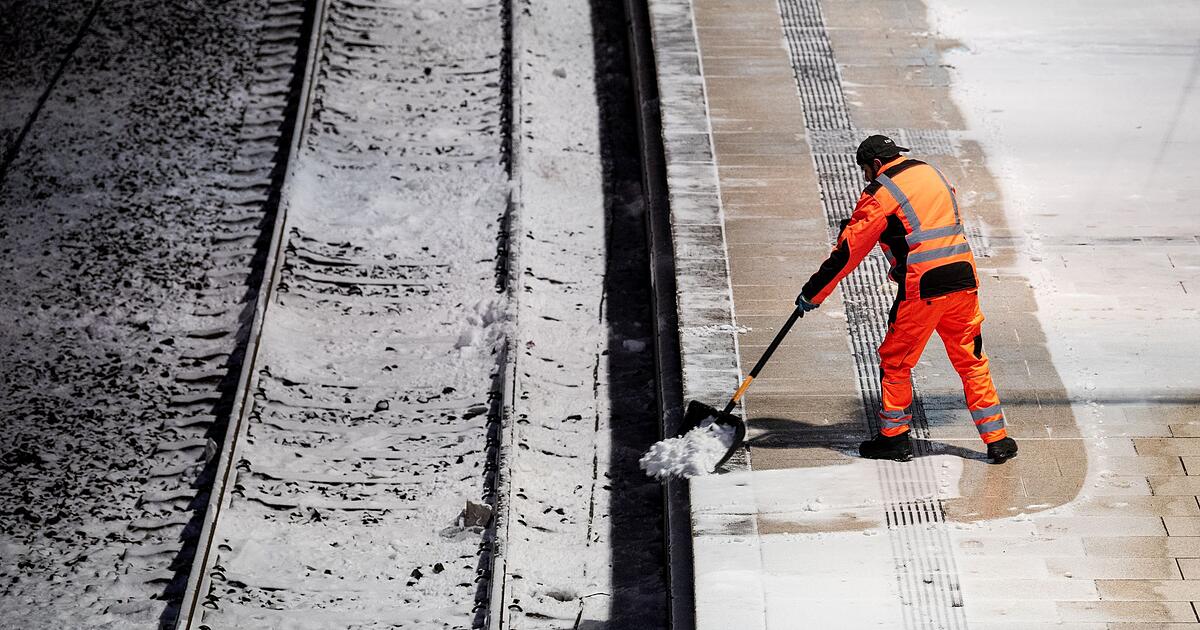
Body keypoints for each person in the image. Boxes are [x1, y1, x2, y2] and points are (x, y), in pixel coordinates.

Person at [795, 135, 1018, 464]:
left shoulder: (880, 192)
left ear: (874, 165)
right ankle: (997, 440)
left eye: (865, 171)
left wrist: (813, 292)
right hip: (963, 277)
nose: (866, 178)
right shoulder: (931, 172)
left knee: (896, 362)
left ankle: (894, 438)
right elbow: (928, 222)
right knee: (971, 360)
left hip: (923, 285)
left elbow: (848, 252)